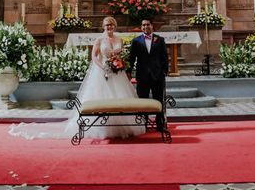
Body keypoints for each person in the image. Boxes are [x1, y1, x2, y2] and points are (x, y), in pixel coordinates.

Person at [9, 16, 144, 140]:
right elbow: (94, 57)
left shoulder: (119, 39)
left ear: (115, 26)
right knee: (102, 97)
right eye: (107, 25)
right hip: (103, 71)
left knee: (119, 98)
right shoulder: (99, 40)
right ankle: (102, 128)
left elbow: (121, 55)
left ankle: (122, 126)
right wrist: (103, 68)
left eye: (111, 25)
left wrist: (119, 64)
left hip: (117, 73)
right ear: (103, 27)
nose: (109, 27)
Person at [128, 19, 169, 131]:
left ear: (152, 26)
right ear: (141, 27)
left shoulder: (160, 40)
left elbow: (164, 57)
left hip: (157, 75)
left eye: (148, 24)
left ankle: (160, 125)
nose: (146, 27)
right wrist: (129, 72)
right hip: (142, 75)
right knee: (142, 101)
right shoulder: (136, 41)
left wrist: (165, 71)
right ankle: (143, 124)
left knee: (158, 100)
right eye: (143, 25)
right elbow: (131, 58)